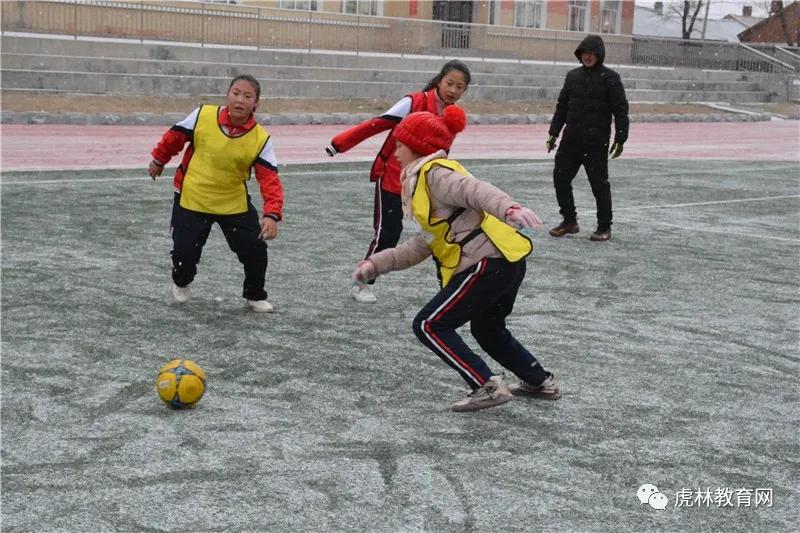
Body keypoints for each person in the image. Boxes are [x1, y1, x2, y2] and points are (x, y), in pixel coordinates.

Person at [352, 105, 561, 412]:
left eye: (399, 144)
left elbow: (478, 191)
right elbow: (422, 244)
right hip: (505, 262)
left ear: (417, 147)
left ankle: (487, 386)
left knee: (428, 324)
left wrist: (510, 208)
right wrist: (375, 264)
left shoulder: (436, 174)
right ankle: (539, 381)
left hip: (487, 263)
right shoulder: (422, 182)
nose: (395, 152)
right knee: (487, 329)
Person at [326, 60, 472, 303]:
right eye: (450, 83)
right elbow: (377, 124)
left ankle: (448, 288)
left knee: (440, 233)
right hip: (394, 178)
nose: (453, 90)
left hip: (426, 185)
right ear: (439, 80)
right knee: (388, 234)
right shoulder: (412, 102)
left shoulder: (453, 118)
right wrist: (339, 144)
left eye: (460, 87)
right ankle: (361, 282)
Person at [148, 74, 284, 313]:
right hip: (193, 197)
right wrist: (159, 159)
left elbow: (270, 179)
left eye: (247, 96)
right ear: (227, 95)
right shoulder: (202, 115)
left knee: (255, 250)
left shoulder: (261, 138)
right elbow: (174, 138)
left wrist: (271, 215)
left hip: (232, 203)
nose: (240, 100)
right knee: (184, 254)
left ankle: (254, 295)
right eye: (236, 93)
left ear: (256, 103)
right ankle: (182, 282)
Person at [546, 34, 629, 242]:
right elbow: (562, 106)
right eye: (584, 53)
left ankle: (604, 226)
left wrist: (620, 137)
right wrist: (553, 132)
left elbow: (620, 110)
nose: (588, 57)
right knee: (560, 177)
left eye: (592, 53)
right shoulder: (572, 76)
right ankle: (569, 221)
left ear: (599, 55)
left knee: (599, 184)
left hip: (596, 142)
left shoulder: (611, 78)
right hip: (571, 140)